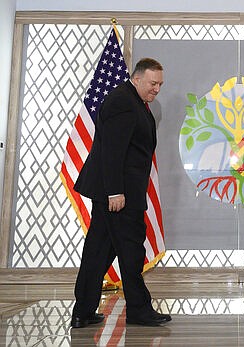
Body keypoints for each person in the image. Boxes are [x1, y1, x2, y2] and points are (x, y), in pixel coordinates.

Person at [71, 58, 171, 328]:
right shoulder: (122, 102)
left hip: (116, 192)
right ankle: (139, 310)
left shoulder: (134, 101)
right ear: (136, 79)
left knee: (99, 252)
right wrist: (115, 191)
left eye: (160, 84)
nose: (157, 89)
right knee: (130, 250)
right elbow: (113, 151)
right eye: (153, 83)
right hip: (117, 194)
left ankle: (83, 311)